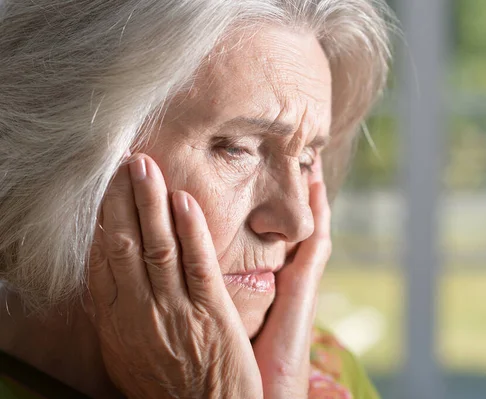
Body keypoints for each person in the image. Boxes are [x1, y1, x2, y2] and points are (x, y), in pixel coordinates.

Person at [0, 0, 393, 397]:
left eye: (307, 158)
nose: (298, 220)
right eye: (237, 148)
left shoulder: (329, 370)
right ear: (73, 156)